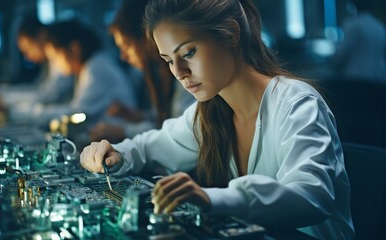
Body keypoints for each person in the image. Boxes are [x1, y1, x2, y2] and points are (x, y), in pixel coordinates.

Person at [80, 0, 354, 239]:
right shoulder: (209, 112)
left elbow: (310, 196)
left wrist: (211, 198)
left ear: (231, 34)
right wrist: (113, 153)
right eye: (168, 60)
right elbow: (147, 147)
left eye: (188, 52)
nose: (179, 72)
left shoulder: (296, 103)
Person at [89, 0, 194, 143]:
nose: (123, 56)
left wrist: (123, 131)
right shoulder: (158, 74)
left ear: (148, 38)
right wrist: (137, 116)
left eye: (127, 45)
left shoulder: (182, 74)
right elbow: (164, 120)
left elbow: (179, 131)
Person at [26, 19, 136, 129]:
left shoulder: (95, 69)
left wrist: (36, 113)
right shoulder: (89, 67)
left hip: (121, 136)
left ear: (75, 49)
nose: (56, 65)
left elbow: (77, 112)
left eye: (56, 57)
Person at [0, 15, 74, 119]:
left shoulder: (61, 56)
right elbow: (38, 88)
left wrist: (2, 100)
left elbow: (48, 95)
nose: (28, 57)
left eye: (28, 49)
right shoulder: (49, 62)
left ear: (41, 35)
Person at [329, 0, 386, 82]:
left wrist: (331, 66)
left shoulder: (353, 25)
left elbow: (343, 53)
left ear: (354, 6)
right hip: (378, 78)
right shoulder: (379, 26)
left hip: (357, 78)